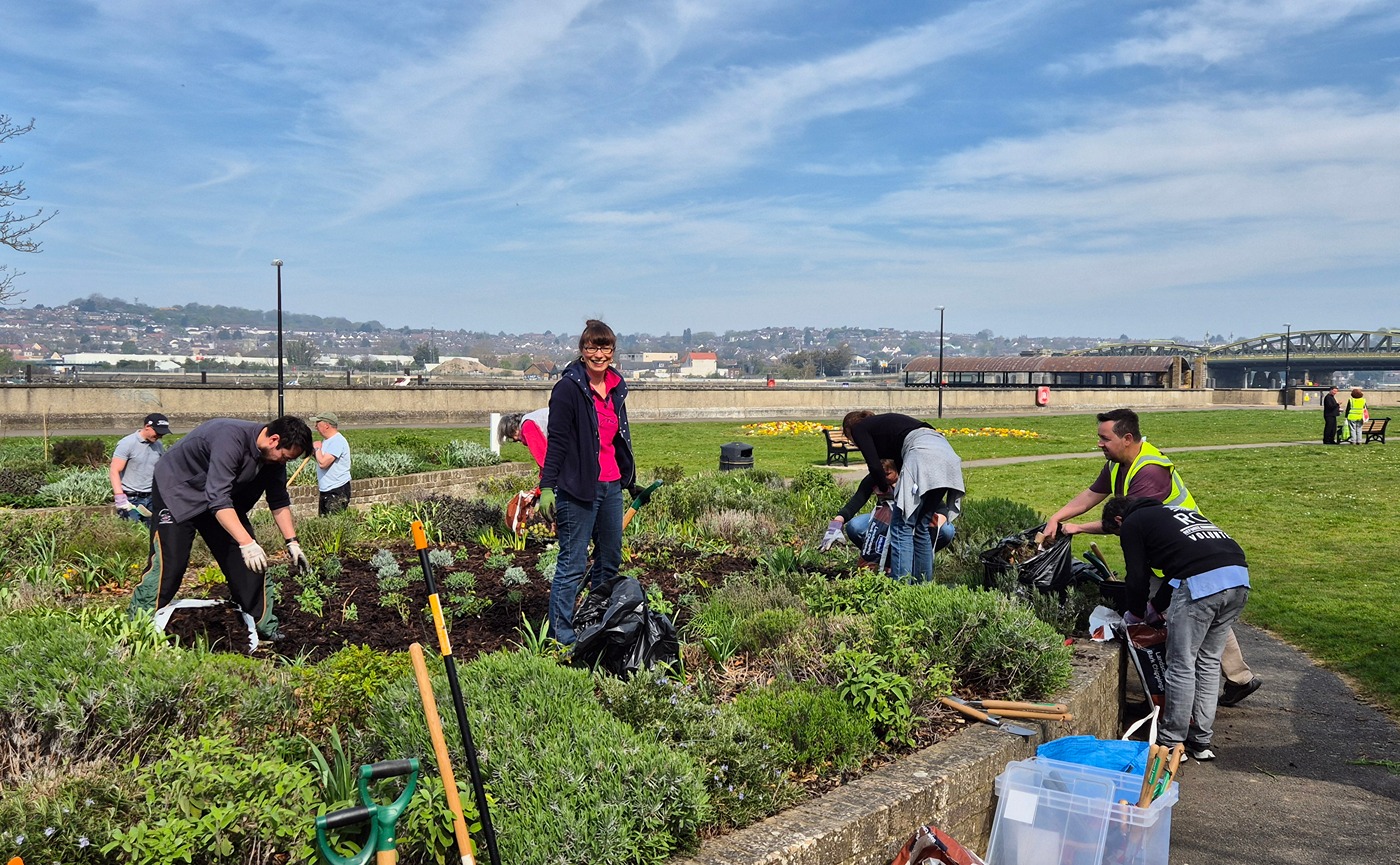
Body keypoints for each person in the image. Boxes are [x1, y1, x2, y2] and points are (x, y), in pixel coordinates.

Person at [1043, 408, 1261, 706]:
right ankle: (1238, 679)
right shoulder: (1119, 463)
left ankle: (1174, 695)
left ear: (1127, 438)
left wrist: (1077, 527)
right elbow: (1093, 494)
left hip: (1185, 552)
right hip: (1180, 553)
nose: (1099, 444)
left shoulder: (1150, 471)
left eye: (1104, 438)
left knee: (1183, 617)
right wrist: (1056, 517)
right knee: (1201, 616)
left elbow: (1126, 524)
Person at [128, 416, 313, 641]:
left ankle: (263, 626)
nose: (284, 463)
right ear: (274, 440)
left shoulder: (273, 460)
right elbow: (217, 498)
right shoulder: (229, 438)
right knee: (171, 563)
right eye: (285, 456)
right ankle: (138, 625)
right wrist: (247, 543)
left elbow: (279, 499)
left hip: (220, 500)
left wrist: (292, 543)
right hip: (178, 492)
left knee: (250, 565)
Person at [1102, 496, 1250, 761]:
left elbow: (1136, 576)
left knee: (1181, 663)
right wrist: (1156, 608)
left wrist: (1134, 614)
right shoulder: (1173, 514)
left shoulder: (1133, 523)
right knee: (1207, 661)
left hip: (1202, 585)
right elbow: (1176, 572)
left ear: (1118, 520)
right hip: (1238, 578)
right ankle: (1200, 741)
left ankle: (1171, 741)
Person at [538, 320, 637, 646]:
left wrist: (630, 480)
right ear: (582, 351)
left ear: (612, 351)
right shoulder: (568, 388)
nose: (598, 354)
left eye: (605, 347)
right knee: (573, 563)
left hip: (611, 487)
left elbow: (620, 438)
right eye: (592, 347)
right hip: (578, 488)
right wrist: (548, 486)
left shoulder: (616, 385)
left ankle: (594, 622)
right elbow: (558, 441)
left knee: (609, 559)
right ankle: (562, 636)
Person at [842, 410, 964, 581]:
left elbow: (875, 467)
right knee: (921, 525)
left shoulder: (859, 428)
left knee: (901, 525)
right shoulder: (892, 427)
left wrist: (883, 487)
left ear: (849, 431)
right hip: (946, 453)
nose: (853, 442)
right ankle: (922, 587)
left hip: (921, 452)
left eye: (850, 438)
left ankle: (901, 587)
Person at [820, 459, 956, 563]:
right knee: (855, 526)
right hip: (883, 521)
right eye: (879, 475)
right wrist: (837, 522)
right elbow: (856, 500)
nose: (882, 478)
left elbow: (941, 508)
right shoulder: (875, 479)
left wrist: (932, 527)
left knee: (947, 530)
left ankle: (918, 558)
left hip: (912, 521)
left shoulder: (913, 479)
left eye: (887, 474)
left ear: (898, 471)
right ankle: (878, 558)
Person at [109, 413, 171, 525]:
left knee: (154, 535)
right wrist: (120, 497)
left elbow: (162, 470)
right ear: (147, 427)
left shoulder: (158, 445)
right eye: (158, 433)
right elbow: (114, 471)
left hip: (151, 498)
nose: (160, 436)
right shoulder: (127, 443)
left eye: (162, 434)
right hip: (131, 500)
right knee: (131, 534)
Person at [309, 412, 352, 515]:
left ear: (326, 425)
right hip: (326, 489)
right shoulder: (327, 441)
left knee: (334, 524)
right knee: (324, 522)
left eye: (317, 423)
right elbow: (321, 460)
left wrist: (318, 448)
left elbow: (323, 464)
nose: (315, 427)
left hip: (336, 489)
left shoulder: (337, 441)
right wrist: (314, 453)